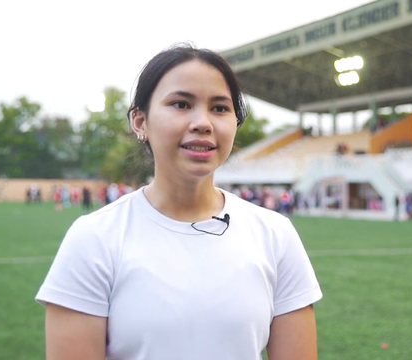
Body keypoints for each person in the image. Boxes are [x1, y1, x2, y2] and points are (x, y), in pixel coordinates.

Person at [35, 44, 322, 360]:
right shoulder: (94, 237)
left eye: (220, 108)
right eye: (181, 104)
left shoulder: (275, 234)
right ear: (140, 122)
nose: (203, 122)